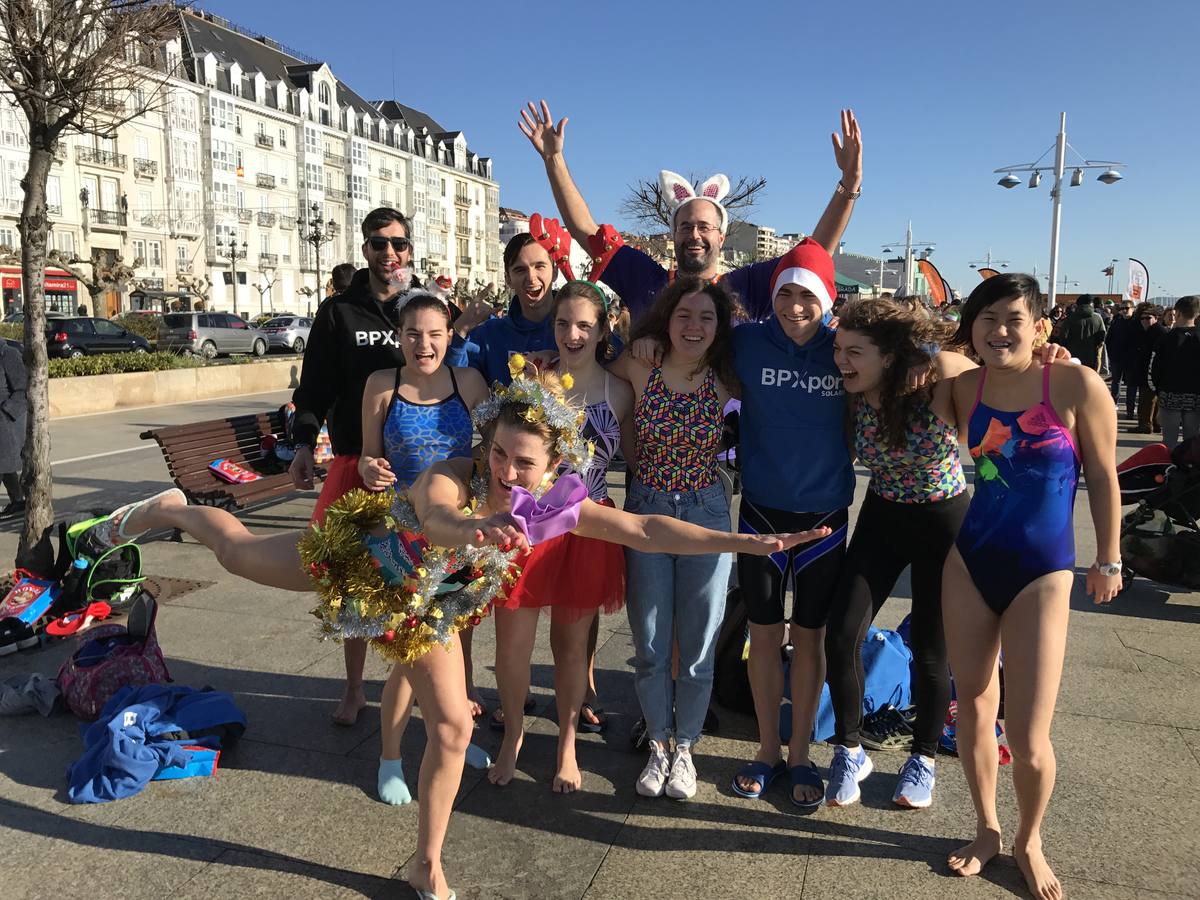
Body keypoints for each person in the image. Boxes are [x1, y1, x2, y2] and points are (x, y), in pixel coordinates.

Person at [82, 369, 828, 900]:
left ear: (558, 465)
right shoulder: (454, 471)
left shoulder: (561, 504)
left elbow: (645, 526)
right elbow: (438, 516)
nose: (505, 469)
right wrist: (477, 521)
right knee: (239, 552)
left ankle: (425, 864)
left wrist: (745, 545)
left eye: (523, 462)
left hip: (426, 604)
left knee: (448, 728)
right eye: (499, 453)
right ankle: (176, 509)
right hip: (368, 561)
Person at [941, 274, 1120, 900]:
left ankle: (1029, 838)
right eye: (986, 318)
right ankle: (989, 829)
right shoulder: (965, 387)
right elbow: (891, 378)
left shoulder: (1072, 383)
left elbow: (1102, 475)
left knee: (1027, 732)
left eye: (1014, 318)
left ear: (1041, 326)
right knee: (973, 705)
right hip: (970, 562)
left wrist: (1110, 558)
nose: (999, 330)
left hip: (1043, 571)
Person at [822, 299, 975, 810]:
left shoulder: (938, 378)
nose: (841, 359)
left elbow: (988, 368)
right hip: (883, 515)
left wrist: (1048, 356)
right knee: (842, 633)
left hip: (943, 521)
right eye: (839, 348)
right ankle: (849, 749)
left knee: (932, 651)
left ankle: (923, 757)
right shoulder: (853, 391)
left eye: (854, 352)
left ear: (890, 356)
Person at [518, 100, 861, 320]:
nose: (694, 234)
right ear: (673, 233)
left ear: (721, 236)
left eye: (704, 227)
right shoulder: (644, 279)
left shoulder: (747, 285)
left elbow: (814, 255)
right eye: (685, 226)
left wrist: (848, 184)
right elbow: (584, 230)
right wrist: (554, 160)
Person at [488, 282, 636, 793]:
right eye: (561, 323)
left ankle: (567, 742)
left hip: (586, 529)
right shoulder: (533, 378)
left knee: (571, 648)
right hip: (527, 528)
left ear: (603, 328)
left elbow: (633, 460)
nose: (571, 334)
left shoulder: (620, 390)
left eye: (583, 325)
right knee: (512, 646)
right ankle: (514, 735)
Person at [605, 276, 747, 801]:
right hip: (647, 510)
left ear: (719, 327)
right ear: (666, 318)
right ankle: (658, 743)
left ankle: (685, 745)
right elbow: (588, 379)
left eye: (706, 318)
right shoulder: (641, 364)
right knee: (649, 642)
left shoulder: (727, 378)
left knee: (697, 647)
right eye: (684, 315)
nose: (694, 326)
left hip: (707, 514)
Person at [356, 289, 491, 805]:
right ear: (399, 337)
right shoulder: (380, 385)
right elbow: (369, 459)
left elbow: (493, 448)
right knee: (408, 656)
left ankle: (451, 735)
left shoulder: (471, 382)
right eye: (413, 334)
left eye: (435, 334)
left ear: (449, 335)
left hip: (458, 541)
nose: (424, 344)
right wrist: (369, 469)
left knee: (450, 644)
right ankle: (390, 755)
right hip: (400, 546)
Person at [288, 207, 413, 726]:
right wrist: (301, 445)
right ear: (364, 249)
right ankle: (355, 687)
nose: (390, 254)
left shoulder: (422, 307)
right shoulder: (339, 312)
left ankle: (415, 684)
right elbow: (314, 386)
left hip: (411, 468)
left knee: (411, 582)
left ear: (410, 248)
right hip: (351, 463)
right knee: (347, 581)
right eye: (379, 244)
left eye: (399, 244)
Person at [1149, 295, 1200, 450]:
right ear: (1197, 314)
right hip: (1195, 396)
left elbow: (1153, 368)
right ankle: (1189, 471)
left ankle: (1168, 470)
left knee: (1169, 441)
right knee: (1191, 441)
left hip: (1169, 395)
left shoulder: (1166, 338)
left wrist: (1157, 391)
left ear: (1177, 313)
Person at [0, 339, 27, 517]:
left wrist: (6, 412)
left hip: (4, 422)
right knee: (5, 466)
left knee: (4, 462)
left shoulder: (8, 354)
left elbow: (22, 389)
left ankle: (18, 501)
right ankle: (18, 501)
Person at [1132, 303, 1166, 434]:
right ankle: (1153, 424)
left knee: (1147, 400)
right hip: (1146, 370)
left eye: (1148, 317)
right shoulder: (1148, 331)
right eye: (1142, 318)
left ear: (1156, 318)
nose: (1145, 321)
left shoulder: (1159, 332)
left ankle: (1146, 425)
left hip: (1151, 372)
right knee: (1150, 399)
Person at [1104, 300, 1140, 416]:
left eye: (1127, 308)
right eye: (1122, 308)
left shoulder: (1137, 323)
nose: (1124, 311)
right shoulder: (1116, 321)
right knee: (1116, 382)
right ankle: (1113, 404)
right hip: (1117, 358)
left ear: (1133, 309)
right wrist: (1111, 354)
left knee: (1131, 384)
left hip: (1131, 359)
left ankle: (1130, 409)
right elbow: (1109, 338)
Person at [1056, 294, 1106, 369]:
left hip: (1072, 356)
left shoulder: (1070, 318)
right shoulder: (1097, 318)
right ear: (1091, 304)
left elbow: (1063, 337)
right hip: (1091, 355)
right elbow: (1102, 337)